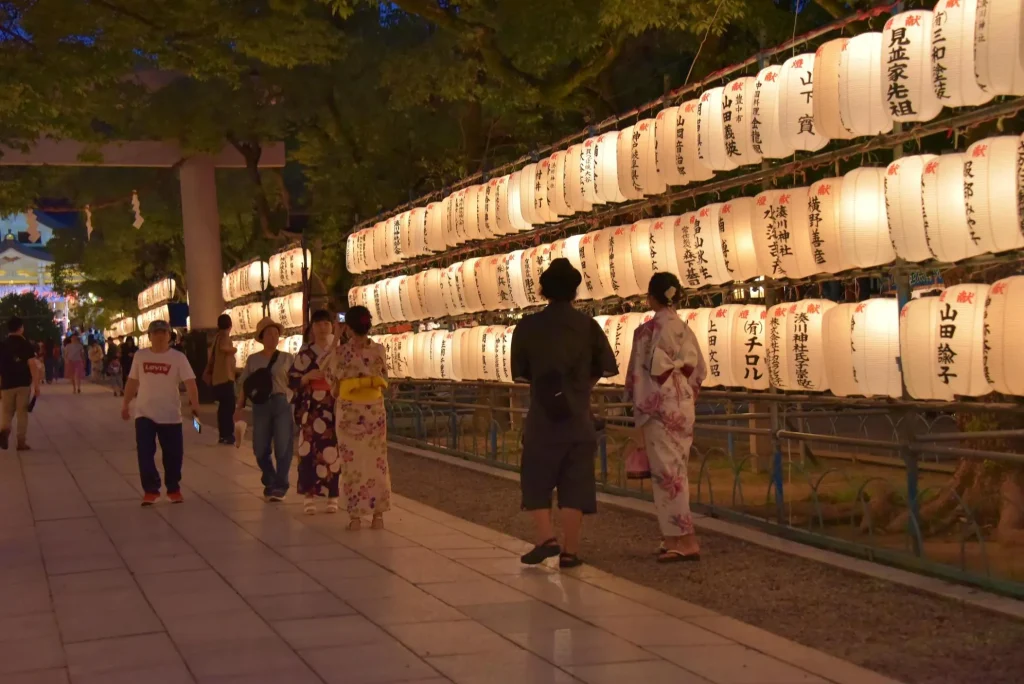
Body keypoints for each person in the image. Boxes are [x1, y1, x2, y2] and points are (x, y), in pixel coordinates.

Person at [510, 258, 618, 569]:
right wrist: (580, 388)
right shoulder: (588, 326)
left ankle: (546, 538)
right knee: (577, 481)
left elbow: (522, 375)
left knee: (536, 477)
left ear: (543, 290)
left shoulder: (528, 327)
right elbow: (604, 366)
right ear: (575, 291)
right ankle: (571, 551)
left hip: (544, 416)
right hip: (579, 417)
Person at [626, 272, 707, 563]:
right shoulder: (685, 329)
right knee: (677, 471)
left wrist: (639, 409)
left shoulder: (646, 332)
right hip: (682, 406)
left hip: (658, 409)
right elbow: (699, 372)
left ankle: (686, 541)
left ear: (651, 298)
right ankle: (673, 537)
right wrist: (684, 394)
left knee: (667, 477)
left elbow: (636, 377)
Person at [320, 306, 389, 530]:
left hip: (350, 410)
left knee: (352, 464)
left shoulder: (340, 353)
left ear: (347, 328)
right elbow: (385, 377)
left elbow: (325, 369)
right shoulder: (379, 350)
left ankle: (356, 517)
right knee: (377, 461)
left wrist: (336, 339)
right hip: (374, 409)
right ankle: (378, 515)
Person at [121, 320, 199, 506]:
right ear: (149, 336)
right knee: (145, 453)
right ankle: (151, 489)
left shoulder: (178, 357)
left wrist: (195, 405)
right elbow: (132, 381)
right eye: (155, 332)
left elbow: (190, 382)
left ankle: (173, 488)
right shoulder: (140, 356)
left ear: (169, 336)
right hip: (144, 413)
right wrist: (126, 404)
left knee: (173, 454)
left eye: (163, 332)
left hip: (171, 413)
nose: (159, 335)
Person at [235, 317, 295, 502]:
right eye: (269, 333)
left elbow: (295, 381)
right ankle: (269, 477)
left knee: (283, 446)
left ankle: (281, 485)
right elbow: (244, 385)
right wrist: (239, 408)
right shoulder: (253, 360)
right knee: (260, 448)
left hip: (281, 403)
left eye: (276, 333)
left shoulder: (287, 357)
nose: (273, 337)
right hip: (260, 406)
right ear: (261, 337)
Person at [288, 310, 340, 515]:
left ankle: (333, 495)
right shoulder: (305, 353)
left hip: (333, 405)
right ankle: (309, 495)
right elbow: (293, 378)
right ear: (312, 327)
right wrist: (307, 377)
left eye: (326, 323)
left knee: (333, 451)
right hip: (311, 407)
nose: (322, 327)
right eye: (318, 324)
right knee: (307, 451)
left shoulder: (338, 350)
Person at [0, 317, 40, 451]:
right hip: (23, 383)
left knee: (6, 412)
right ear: (20, 328)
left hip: (6, 384)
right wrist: (36, 385)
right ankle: (21, 442)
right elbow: (32, 365)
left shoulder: (3, 344)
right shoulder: (26, 344)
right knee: (22, 412)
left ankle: (4, 431)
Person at [207, 314, 237, 445]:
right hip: (225, 377)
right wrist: (234, 349)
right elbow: (224, 348)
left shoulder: (217, 337)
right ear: (230, 325)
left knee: (223, 408)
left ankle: (223, 434)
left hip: (217, 378)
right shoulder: (225, 336)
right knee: (228, 407)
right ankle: (227, 434)